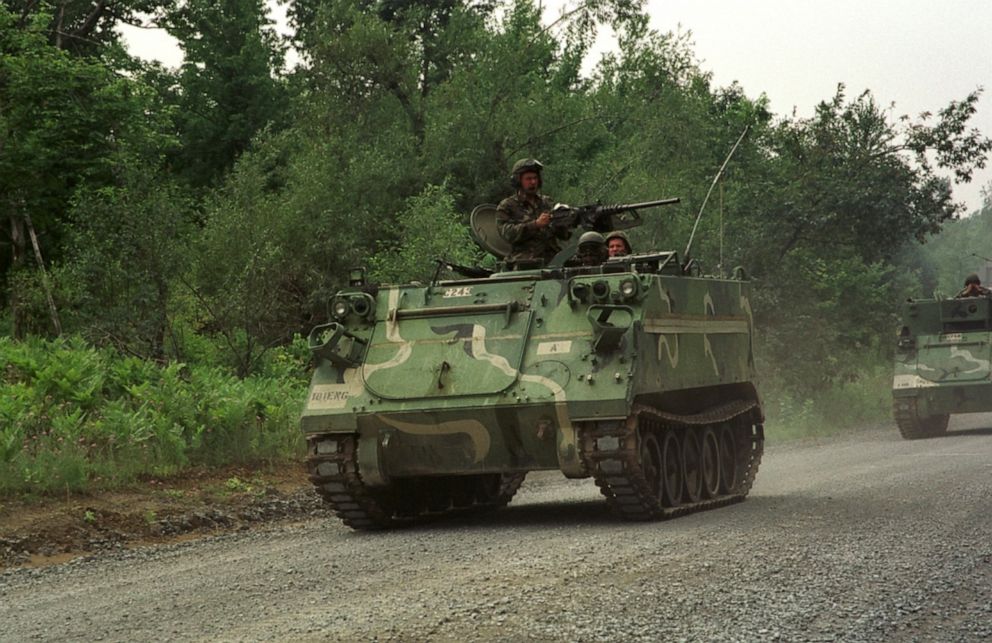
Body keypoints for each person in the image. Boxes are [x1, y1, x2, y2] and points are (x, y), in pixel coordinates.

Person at [496, 159, 571, 265]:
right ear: (518, 181)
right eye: (528, 179)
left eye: (535, 178)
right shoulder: (508, 206)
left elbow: (564, 236)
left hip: (554, 260)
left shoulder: (547, 202)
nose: (533, 182)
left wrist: (564, 220)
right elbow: (507, 234)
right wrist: (535, 224)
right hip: (525, 263)